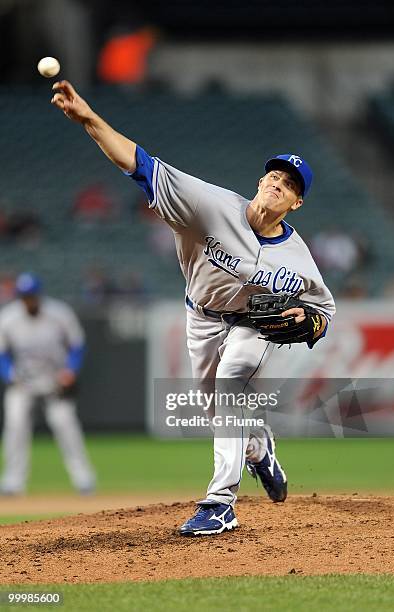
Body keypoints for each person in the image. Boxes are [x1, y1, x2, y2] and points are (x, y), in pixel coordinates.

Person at [51, 81, 335, 535]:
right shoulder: (208, 204)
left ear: (297, 203)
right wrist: (88, 118)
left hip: (252, 326)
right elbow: (139, 165)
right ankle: (259, 449)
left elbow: (323, 312)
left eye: (290, 185)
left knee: (229, 384)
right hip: (201, 317)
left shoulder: (299, 257)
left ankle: (221, 503)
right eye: (276, 177)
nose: (279, 185)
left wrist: (310, 321)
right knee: (216, 411)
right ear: (260, 182)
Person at [0, 272, 96, 495]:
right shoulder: (8, 318)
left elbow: (77, 345)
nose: (28, 300)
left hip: (55, 381)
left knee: (65, 424)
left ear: (39, 295)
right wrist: (9, 373)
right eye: (24, 296)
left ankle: (84, 479)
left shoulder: (59, 313)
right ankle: (13, 482)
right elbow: (2, 353)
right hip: (23, 381)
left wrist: (70, 370)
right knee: (15, 425)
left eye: (31, 295)